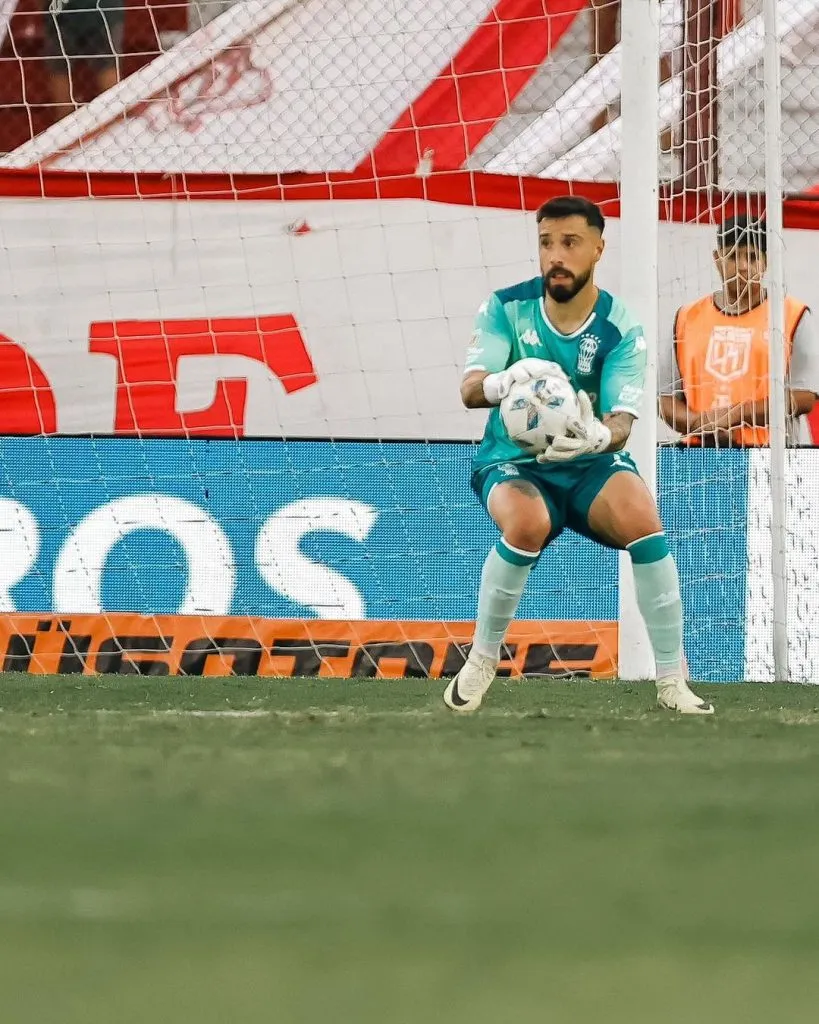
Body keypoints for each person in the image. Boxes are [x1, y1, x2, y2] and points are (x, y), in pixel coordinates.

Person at [447, 195, 713, 716]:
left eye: (570, 243)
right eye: (546, 243)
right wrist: (504, 381)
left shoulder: (620, 328)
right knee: (525, 522)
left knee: (644, 519)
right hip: (514, 460)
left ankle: (671, 681)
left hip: (587, 459)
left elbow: (622, 421)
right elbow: (470, 390)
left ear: (598, 248)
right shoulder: (505, 307)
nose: (556, 256)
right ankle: (480, 660)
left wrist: (597, 438)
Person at [658, 215, 818, 447]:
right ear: (717, 259)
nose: (742, 266)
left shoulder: (793, 314)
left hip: (772, 457)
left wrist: (735, 415)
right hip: (700, 455)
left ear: (766, 262)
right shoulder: (686, 317)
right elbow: (664, 398)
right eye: (733, 256)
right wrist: (699, 423)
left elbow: (804, 397)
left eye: (752, 257)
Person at [43, 0, 126, 123]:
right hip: (90, 11)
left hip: (68, 10)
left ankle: (64, 127)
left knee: (60, 67)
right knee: (106, 64)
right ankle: (117, 121)